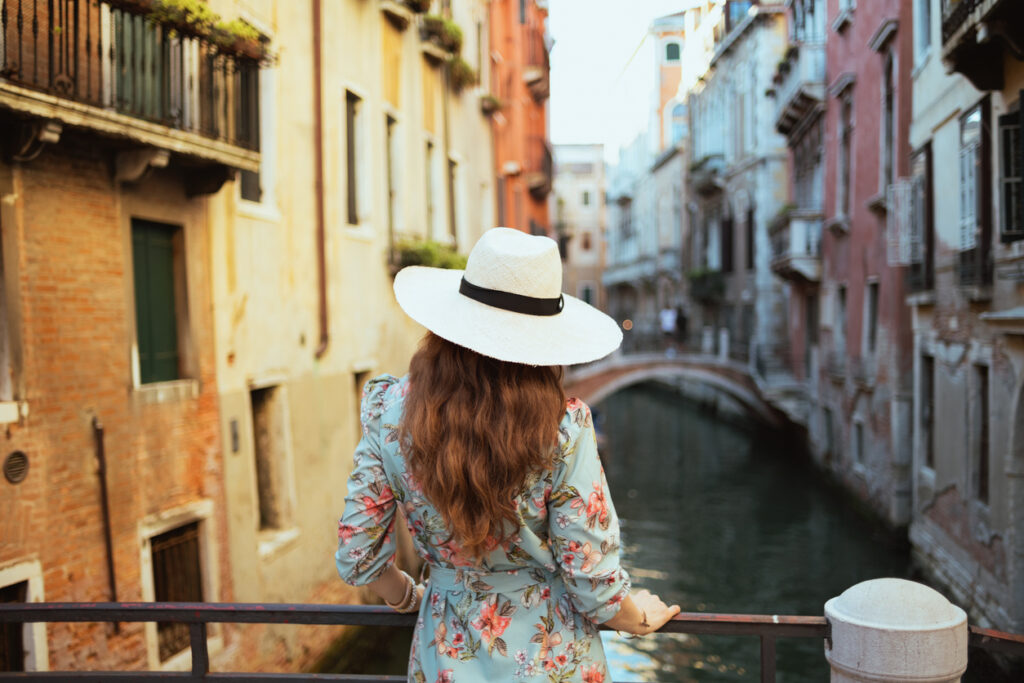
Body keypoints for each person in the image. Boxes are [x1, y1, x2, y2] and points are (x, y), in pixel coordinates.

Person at [335, 228, 679, 682]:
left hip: (445, 655)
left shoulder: (387, 410)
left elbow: (358, 554)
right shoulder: (564, 427)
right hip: (554, 659)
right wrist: (639, 617)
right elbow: (592, 579)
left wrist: (407, 597)